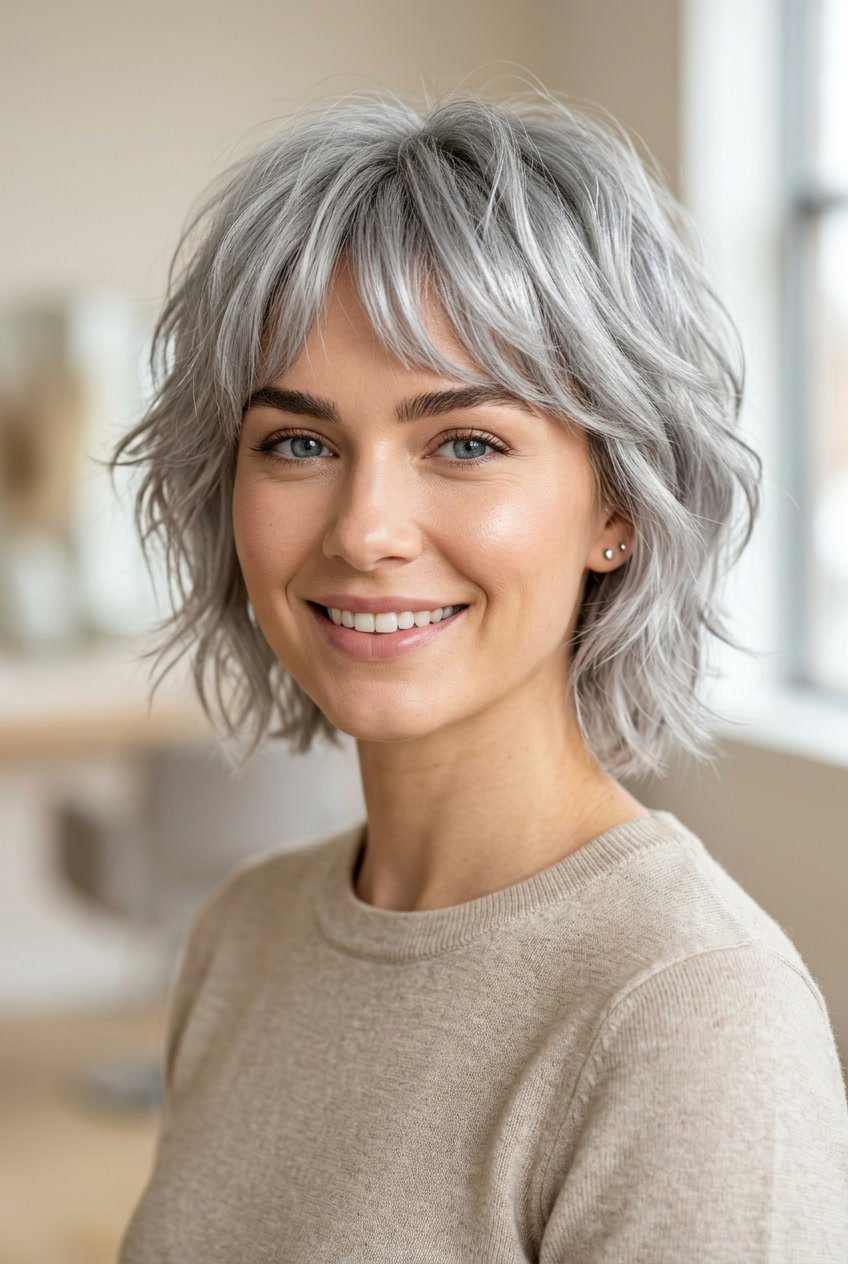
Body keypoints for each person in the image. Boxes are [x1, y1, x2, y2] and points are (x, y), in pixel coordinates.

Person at [112, 86, 848, 1262]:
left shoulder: (690, 1013)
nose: (364, 530)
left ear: (617, 502)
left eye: (464, 443)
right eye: (298, 442)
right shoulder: (242, 934)